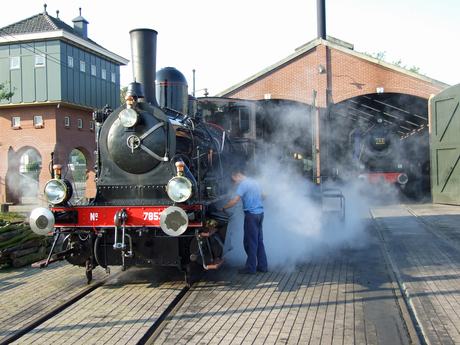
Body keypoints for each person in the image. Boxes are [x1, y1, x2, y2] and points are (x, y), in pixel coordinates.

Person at [220, 169, 268, 274]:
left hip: (251, 215)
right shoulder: (255, 182)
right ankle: (263, 266)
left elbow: (235, 201)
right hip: (260, 214)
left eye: (235, 180)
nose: (235, 183)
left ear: (239, 175)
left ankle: (251, 269)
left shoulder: (243, 184)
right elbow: (264, 195)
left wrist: (223, 208)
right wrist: (256, 202)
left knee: (250, 242)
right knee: (259, 241)